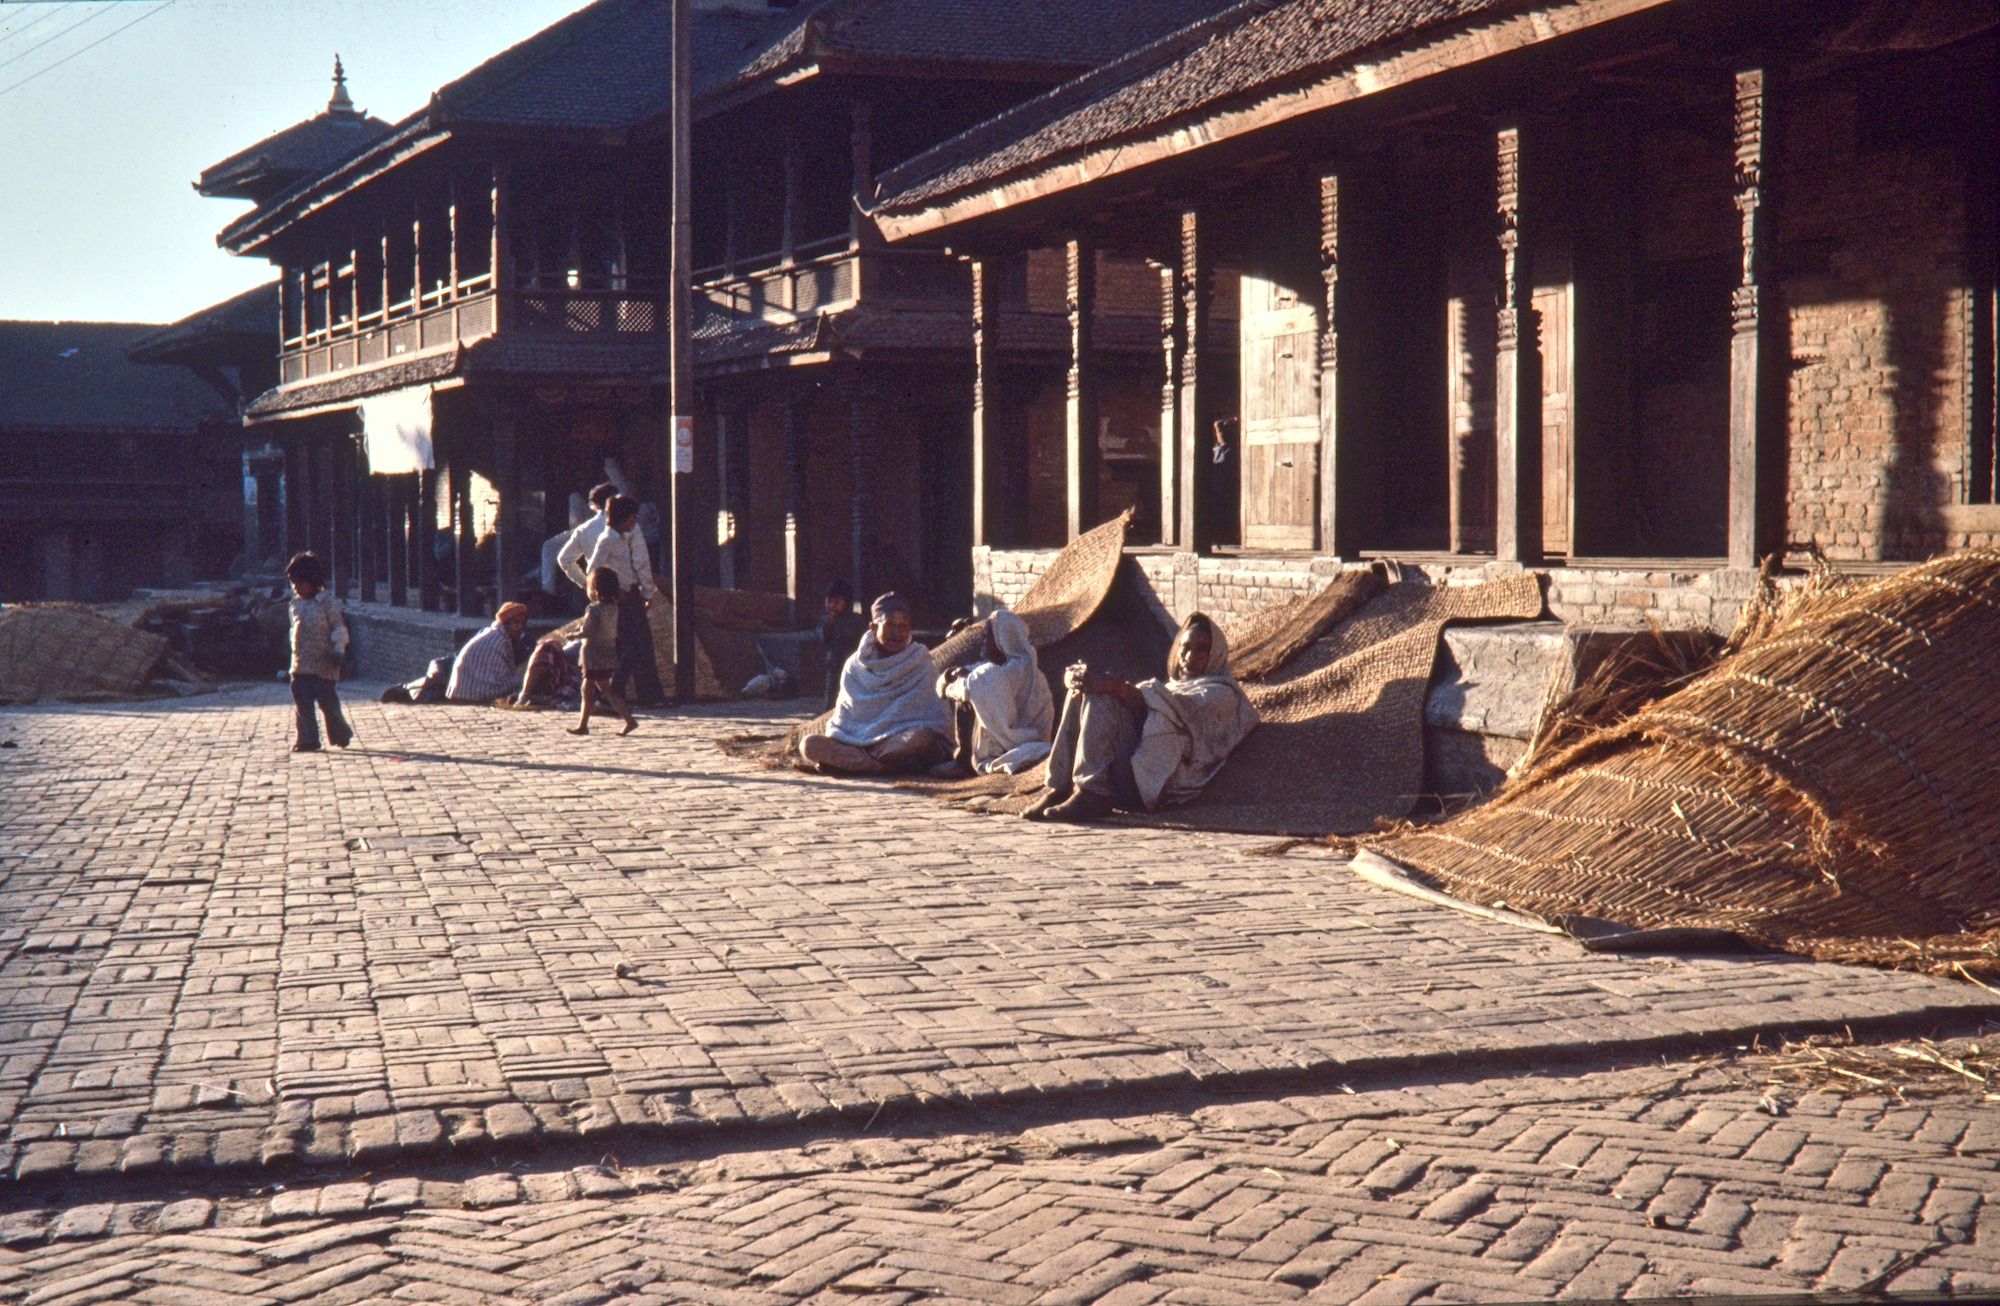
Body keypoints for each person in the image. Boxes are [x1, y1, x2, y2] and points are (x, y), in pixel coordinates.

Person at [1023, 612, 1257, 823]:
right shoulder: (1173, 688)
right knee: (1085, 690)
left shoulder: (1221, 694)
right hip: (1130, 771)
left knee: (1103, 695)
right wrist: (1084, 681)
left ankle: (1092, 793)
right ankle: (1060, 788)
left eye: (1201, 650)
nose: (1190, 656)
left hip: (1151, 787)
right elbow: (1148, 702)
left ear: (1215, 655)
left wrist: (1114, 687)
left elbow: (1171, 705)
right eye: (1185, 648)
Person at [799, 592, 952, 774]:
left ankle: (856, 765)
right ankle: (878, 767)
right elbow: (846, 717)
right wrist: (859, 741)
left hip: (896, 743)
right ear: (873, 628)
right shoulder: (855, 665)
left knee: (920, 738)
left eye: (903, 626)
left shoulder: (921, 662)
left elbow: (936, 718)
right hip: (855, 741)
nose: (897, 633)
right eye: (890, 626)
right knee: (809, 745)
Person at [934, 608, 1053, 778]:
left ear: (1001, 639)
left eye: (987, 636)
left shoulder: (1001, 672)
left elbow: (955, 690)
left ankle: (964, 762)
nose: (982, 641)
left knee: (968, 697)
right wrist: (951, 675)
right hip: (1019, 739)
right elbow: (941, 688)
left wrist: (955, 681)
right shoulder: (996, 668)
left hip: (1016, 741)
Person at [584, 495, 666, 707]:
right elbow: (593, 570)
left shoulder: (622, 538)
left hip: (632, 595)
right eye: (631, 518)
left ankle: (648, 696)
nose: (634, 522)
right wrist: (612, 590)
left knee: (641, 647)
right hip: (621, 600)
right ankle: (612, 693)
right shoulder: (608, 539)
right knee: (633, 648)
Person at [285, 551, 354, 753]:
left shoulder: (326, 603)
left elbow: (339, 628)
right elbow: (293, 633)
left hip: (324, 664)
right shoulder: (295, 605)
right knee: (302, 703)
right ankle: (307, 739)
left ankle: (341, 734)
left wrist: (338, 650)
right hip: (300, 664)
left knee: (328, 703)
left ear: (313, 581)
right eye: (293, 583)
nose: (296, 587)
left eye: (300, 582)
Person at [569, 568, 638, 737]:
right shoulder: (614, 608)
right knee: (591, 688)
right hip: (608, 650)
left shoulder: (594, 609)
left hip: (593, 653)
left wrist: (573, 634)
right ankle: (583, 725)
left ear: (596, 591)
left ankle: (628, 720)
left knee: (602, 689)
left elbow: (587, 632)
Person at [445, 602, 530, 702]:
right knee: (523, 682)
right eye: (515, 623)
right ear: (505, 623)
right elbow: (501, 678)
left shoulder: (493, 633)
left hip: (466, 687)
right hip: (471, 690)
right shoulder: (498, 639)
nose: (519, 627)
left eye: (522, 623)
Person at [556, 481, 619, 598]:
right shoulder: (628, 525)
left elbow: (564, 559)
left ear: (594, 505)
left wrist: (586, 583)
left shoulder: (584, 529)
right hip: (626, 588)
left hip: (600, 591)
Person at [814, 579, 868, 710]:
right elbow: (820, 634)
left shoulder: (855, 620)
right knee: (832, 692)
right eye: (829, 601)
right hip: (834, 663)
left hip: (853, 662)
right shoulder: (825, 619)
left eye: (836, 602)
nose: (832, 605)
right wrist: (828, 626)